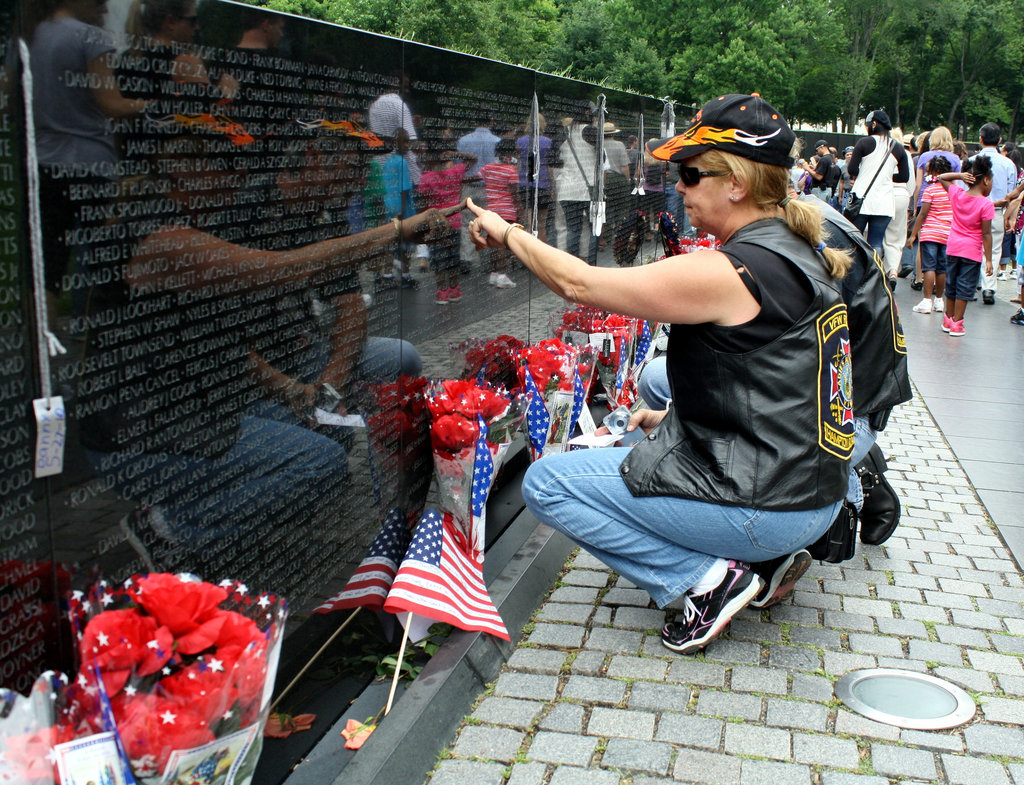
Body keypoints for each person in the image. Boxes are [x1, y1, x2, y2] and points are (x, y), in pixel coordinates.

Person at [467, 94, 855, 654]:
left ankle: (709, 579)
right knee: (636, 430)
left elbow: (581, 284)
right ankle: (748, 556)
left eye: (690, 174)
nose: (678, 187)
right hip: (807, 494)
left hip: (770, 507)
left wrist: (508, 233)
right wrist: (676, 420)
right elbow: (778, 388)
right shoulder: (795, 247)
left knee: (547, 483)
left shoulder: (730, 269)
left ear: (737, 183)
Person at [934, 156, 995, 336]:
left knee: (951, 284)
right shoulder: (986, 204)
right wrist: (989, 259)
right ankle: (957, 324)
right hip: (971, 251)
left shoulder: (958, 194)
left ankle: (948, 319)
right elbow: (986, 234)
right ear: (985, 180)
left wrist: (960, 176)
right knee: (965, 287)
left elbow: (941, 178)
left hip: (952, 247)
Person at [847, 109, 910, 256]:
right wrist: (886, 177)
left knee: (853, 240)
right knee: (876, 242)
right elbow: (904, 177)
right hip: (885, 202)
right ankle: (874, 273)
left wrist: (863, 174)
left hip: (861, 199)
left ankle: (852, 273)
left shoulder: (864, 143)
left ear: (874, 124)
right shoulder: (898, 147)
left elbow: (852, 169)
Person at [971, 122, 1018, 304]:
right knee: (995, 249)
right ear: (1000, 140)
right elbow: (1011, 193)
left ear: (980, 139)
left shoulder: (972, 162)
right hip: (997, 211)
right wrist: (1010, 216)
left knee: (974, 246)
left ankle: (971, 284)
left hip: (974, 211)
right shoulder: (1008, 164)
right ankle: (989, 287)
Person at [906, 156, 953, 314]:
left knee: (929, 267)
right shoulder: (953, 191)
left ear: (936, 172)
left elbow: (923, 214)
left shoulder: (930, 190)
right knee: (942, 268)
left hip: (930, 233)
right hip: (947, 234)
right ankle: (940, 300)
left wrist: (913, 235)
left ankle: (927, 300)